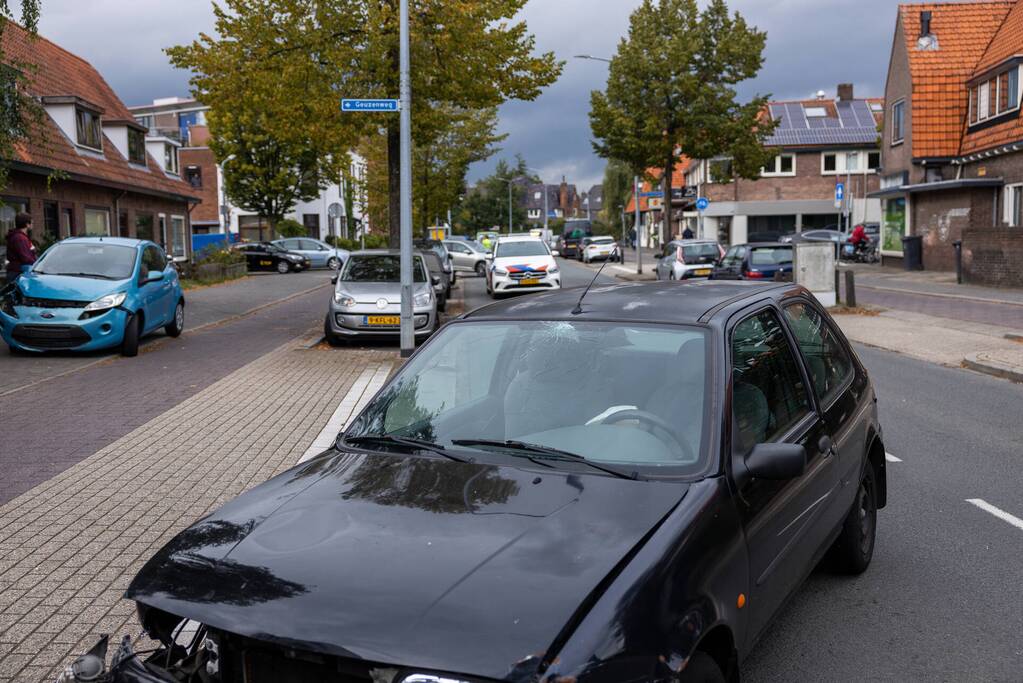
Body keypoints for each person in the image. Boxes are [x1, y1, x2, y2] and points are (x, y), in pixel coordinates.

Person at [5, 212, 36, 282]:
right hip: (18, 273)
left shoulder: (20, 236)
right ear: (27, 224)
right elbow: (25, 257)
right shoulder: (20, 238)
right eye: (32, 223)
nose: (33, 225)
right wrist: (37, 264)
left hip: (17, 272)